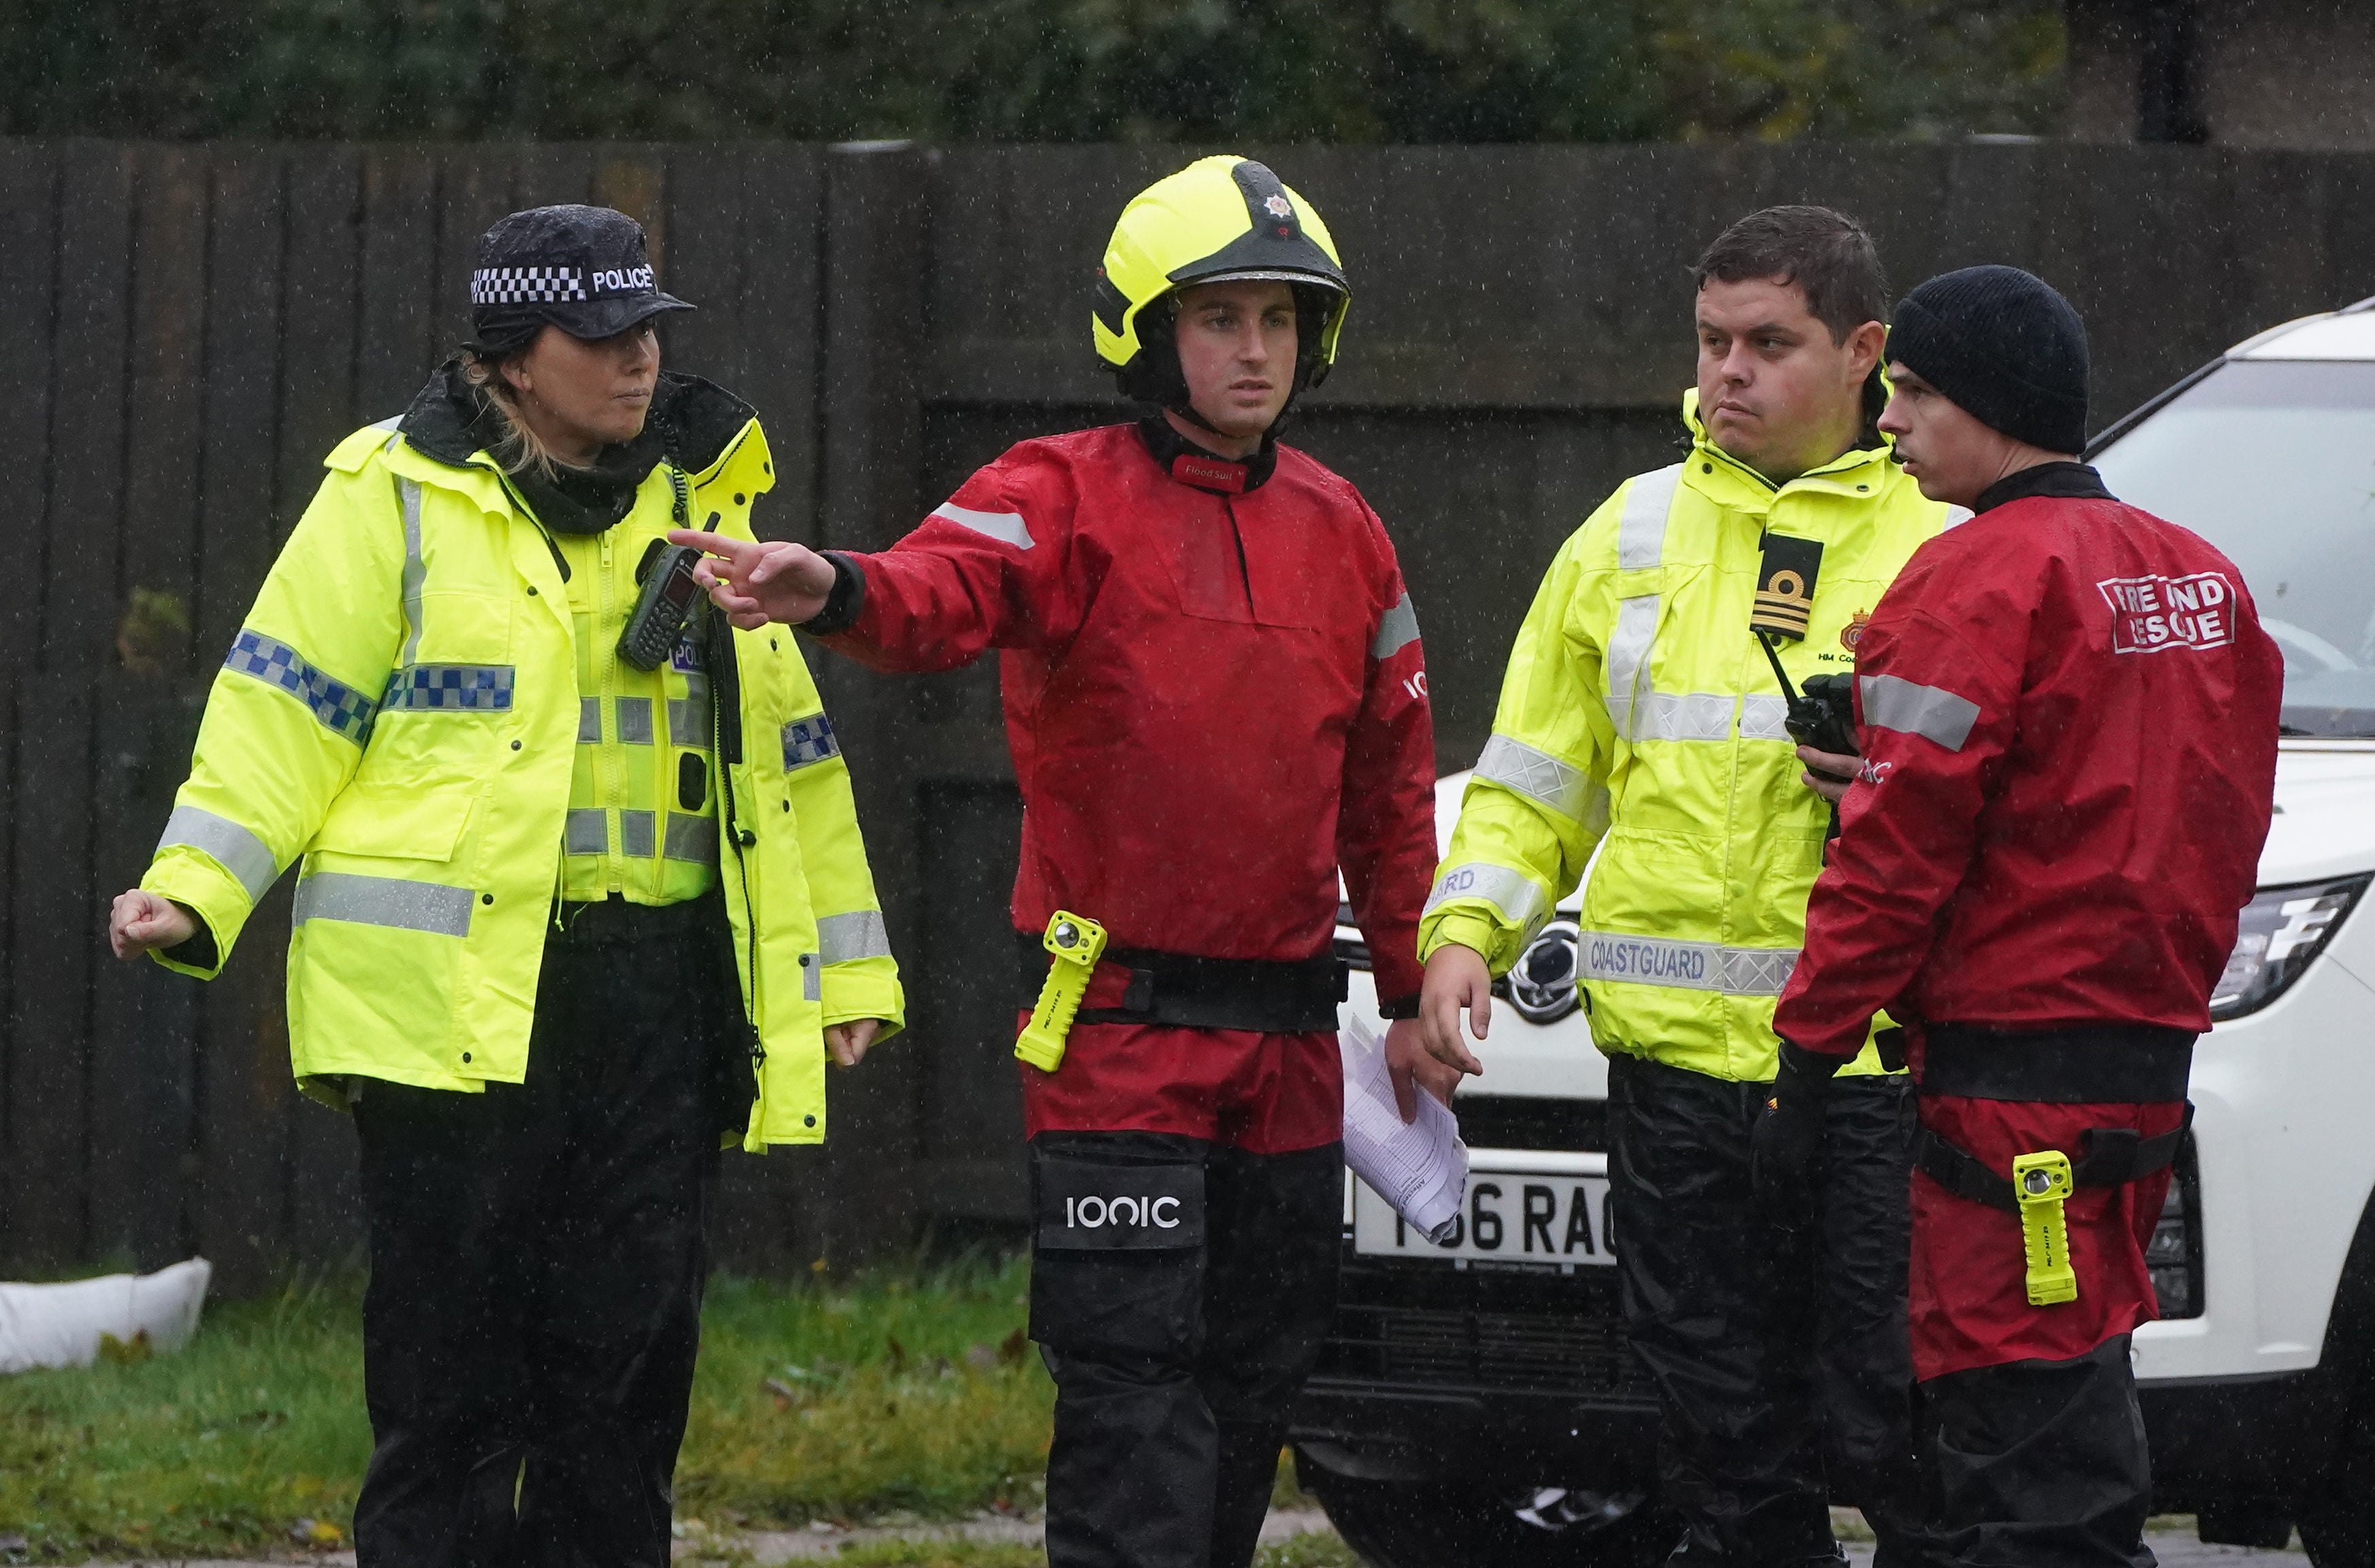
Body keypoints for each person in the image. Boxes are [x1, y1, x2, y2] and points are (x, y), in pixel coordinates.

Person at [670, 155, 1445, 1568]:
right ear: (1149, 333)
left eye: (1279, 319)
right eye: (1221, 319)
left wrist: (1407, 988)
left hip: (1286, 1048)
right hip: (1118, 1030)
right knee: (1132, 1390)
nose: (1254, 349)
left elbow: (1392, 786)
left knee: (1250, 1387)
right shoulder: (1060, 492)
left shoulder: (1348, 531)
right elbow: (928, 594)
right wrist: (827, 584)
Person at [107, 205, 904, 1568]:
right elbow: (284, 707)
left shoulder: (704, 506)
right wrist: (194, 885)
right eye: (600, 334)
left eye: (649, 328)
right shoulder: (392, 493)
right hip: (454, 1015)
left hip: (656, 1002)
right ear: (513, 356)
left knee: (624, 1389)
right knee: (448, 1389)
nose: (638, 358)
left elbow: (787, 755)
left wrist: (845, 968)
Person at [1417, 206, 1947, 1567]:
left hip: (1874, 1072)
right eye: (1713, 342)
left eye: (1770, 344)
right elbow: (1535, 770)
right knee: (1711, 1429)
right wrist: (1468, 928)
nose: (1728, 373)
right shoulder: (1632, 528)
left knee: (1900, 1425)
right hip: (1672, 1076)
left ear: (1864, 354)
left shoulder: (1943, 536)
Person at [1758, 265, 2283, 1568]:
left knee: (2011, 1436)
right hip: (2141, 1070)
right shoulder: (2202, 581)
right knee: (2073, 1381)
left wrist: (1805, 1054)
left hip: (2005, 1091)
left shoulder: (1967, 584)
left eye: (1915, 396)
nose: (1888, 425)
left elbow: (1894, 868)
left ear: (1986, 403)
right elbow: (2204, 814)